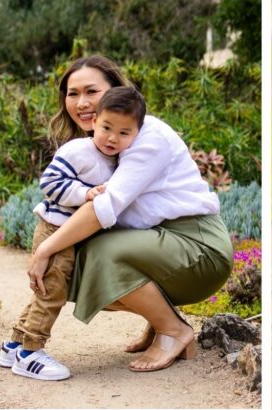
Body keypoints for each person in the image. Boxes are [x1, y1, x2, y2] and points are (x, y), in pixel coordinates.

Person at [26, 56, 233, 374]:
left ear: (115, 89)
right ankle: (162, 320)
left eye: (91, 91)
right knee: (80, 265)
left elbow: (104, 208)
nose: (82, 103)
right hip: (163, 241)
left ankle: (174, 331)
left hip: (199, 246)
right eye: (72, 93)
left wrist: (45, 248)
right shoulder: (108, 141)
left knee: (100, 253)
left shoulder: (147, 137)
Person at [0, 88, 146, 381]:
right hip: (55, 229)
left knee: (46, 289)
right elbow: (49, 183)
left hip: (70, 233)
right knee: (51, 292)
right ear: (94, 121)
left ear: (136, 134)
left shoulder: (119, 160)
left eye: (123, 133)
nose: (112, 138)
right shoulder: (78, 150)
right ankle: (31, 353)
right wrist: (84, 194)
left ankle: (14, 344)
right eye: (106, 128)